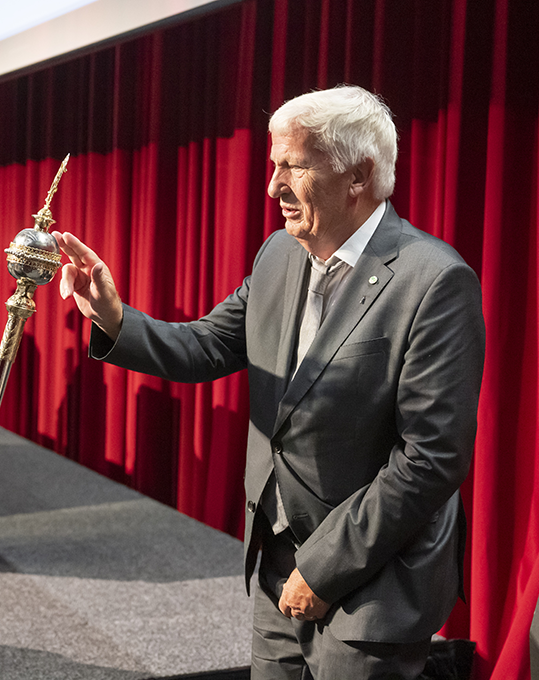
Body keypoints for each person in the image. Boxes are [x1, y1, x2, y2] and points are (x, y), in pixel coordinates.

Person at [55, 85, 485, 679]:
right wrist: (111, 315)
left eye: (293, 166)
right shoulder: (279, 254)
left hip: (372, 582)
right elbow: (205, 346)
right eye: (273, 164)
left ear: (358, 175)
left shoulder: (434, 281)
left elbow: (431, 460)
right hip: (277, 564)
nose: (272, 186)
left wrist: (326, 568)